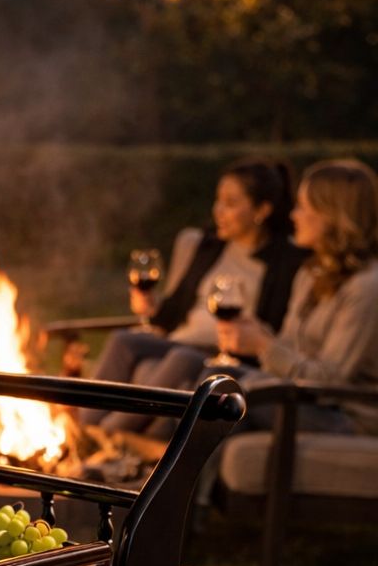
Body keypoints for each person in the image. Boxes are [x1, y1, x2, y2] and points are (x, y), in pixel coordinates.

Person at [79, 159, 306, 434]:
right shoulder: (209, 247)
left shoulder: (285, 264)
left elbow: (273, 330)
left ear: (262, 210)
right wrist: (153, 308)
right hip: (180, 341)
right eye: (217, 201)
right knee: (124, 340)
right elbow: (176, 308)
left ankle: (108, 434)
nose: (218, 212)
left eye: (230, 203)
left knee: (182, 357)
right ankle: (83, 425)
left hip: (222, 355)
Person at [211, 157, 378, 435]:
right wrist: (258, 335)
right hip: (302, 400)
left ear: (332, 215)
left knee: (226, 393)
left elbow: (332, 383)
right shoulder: (310, 274)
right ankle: (169, 471)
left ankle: (167, 471)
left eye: (302, 207)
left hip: (346, 415)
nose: (293, 215)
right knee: (212, 381)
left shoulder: (365, 287)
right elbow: (289, 347)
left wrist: (264, 346)